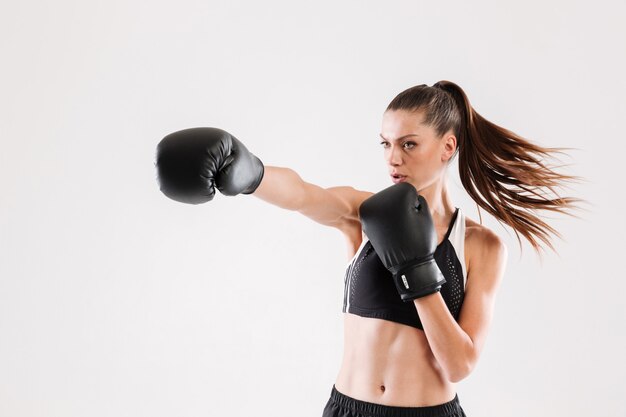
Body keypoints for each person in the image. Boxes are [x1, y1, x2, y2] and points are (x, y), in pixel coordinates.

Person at [155, 81, 582, 417]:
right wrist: (249, 173)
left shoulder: (481, 246)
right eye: (385, 143)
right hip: (347, 408)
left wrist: (417, 271)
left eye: (408, 144)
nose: (393, 158)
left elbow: (459, 365)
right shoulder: (365, 213)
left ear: (447, 146)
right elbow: (305, 194)